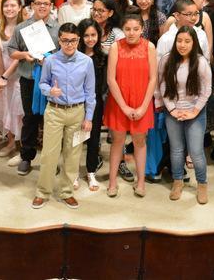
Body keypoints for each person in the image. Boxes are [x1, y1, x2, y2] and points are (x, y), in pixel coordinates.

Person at [32, 23, 95, 209]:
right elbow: (42, 83)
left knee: (73, 154)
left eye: (73, 41)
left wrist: (89, 117)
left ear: (78, 40)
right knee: (49, 154)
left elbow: (90, 92)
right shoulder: (50, 61)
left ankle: (66, 192)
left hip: (77, 112)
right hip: (55, 111)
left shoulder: (86, 62)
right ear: (59, 41)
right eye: (65, 41)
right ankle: (42, 192)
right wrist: (50, 91)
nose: (69, 44)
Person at [8, 0, 60, 176]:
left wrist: (50, 60)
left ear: (51, 6)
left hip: (51, 82)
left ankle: (51, 160)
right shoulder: (22, 28)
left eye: (46, 3)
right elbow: (12, 51)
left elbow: (64, 55)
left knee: (51, 120)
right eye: (38, 3)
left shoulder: (58, 28)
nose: (42, 6)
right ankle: (26, 157)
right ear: (32, 5)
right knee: (29, 118)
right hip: (29, 79)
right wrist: (25, 55)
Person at [104, 15, 157, 198]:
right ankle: (112, 181)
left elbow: (153, 79)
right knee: (117, 141)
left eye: (135, 29)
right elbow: (111, 79)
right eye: (128, 29)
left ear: (142, 29)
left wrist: (143, 106)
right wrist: (124, 107)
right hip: (119, 102)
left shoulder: (150, 47)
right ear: (123, 30)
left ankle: (141, 181)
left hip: (142, 101)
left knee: (139, 142)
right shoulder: (115, 47)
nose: (131, 33)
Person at [161, 26, 212, 204]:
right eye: (179, 40)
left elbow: (207, 90)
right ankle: (177, 181)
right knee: (176, 150)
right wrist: (172, 109)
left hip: (195, 111)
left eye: (187, 41)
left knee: (196, 151)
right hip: (173, 111)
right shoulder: (167, 59)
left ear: (194, 43)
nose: (182, 45)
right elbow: (163, 85)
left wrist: (194, 111)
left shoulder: (201, 62)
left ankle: (202, 184)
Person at [0, 0, 25, 158]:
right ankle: (10, 142)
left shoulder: (25, 26)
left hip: (20, 71)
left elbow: (22, 54)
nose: (9, 9)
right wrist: (2, 76)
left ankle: (22, 143)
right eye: (6, 6)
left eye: (13, 5)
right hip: (1, 69)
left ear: (20, 7)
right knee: (6, 107)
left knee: (19, 108)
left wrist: (7, 76)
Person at [78, 18, 107, 192]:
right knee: (75, 139)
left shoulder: (103, 57)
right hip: (75, 102)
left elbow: (104, 84)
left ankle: (91, 172)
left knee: (94, 138)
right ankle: (72, 172)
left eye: (93, 35)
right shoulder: (74, 55)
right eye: (86, 35)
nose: (90, 39)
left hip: (95, 103)